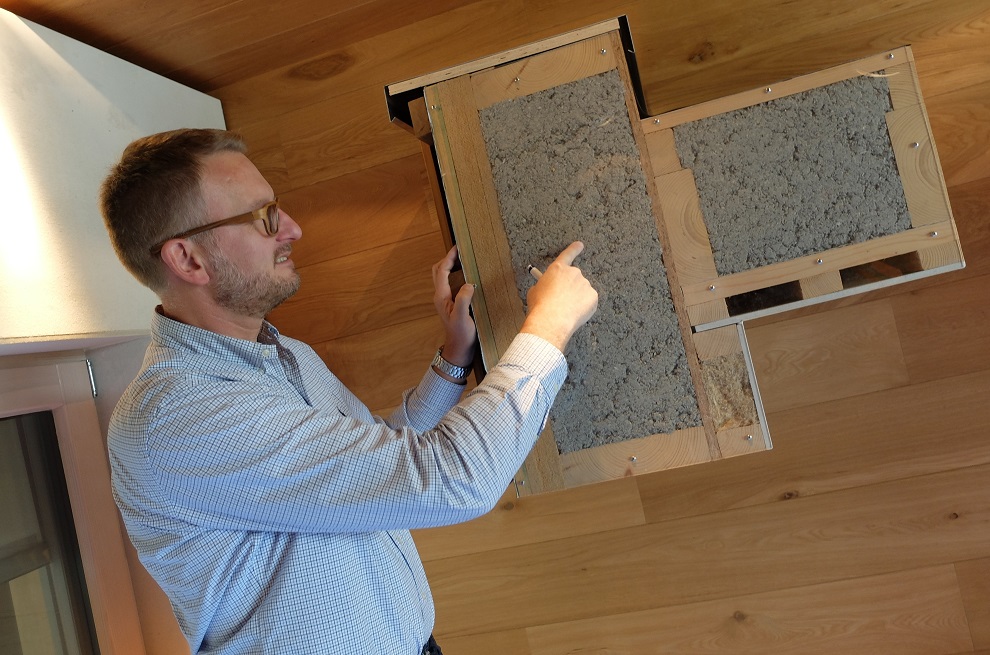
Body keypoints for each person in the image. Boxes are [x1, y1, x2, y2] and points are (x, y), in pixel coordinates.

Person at [99, 128, 597, 655]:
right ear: (188, 259)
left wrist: (452, 361)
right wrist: (548, 327)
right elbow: (449, 478)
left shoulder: (283, 354)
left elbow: (368, 458)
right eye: (263, 216)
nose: (291, 228)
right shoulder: (177, 417)